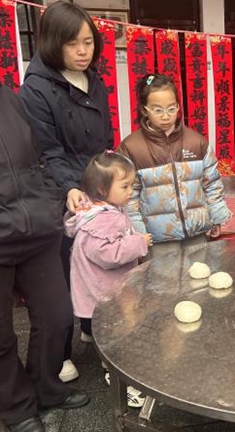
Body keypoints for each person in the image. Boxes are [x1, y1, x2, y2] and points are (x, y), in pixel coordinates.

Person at [0, 3, 89, 432]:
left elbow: (39, 155)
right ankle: (17, 409)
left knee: (57, 315)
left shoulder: (5, 97)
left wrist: (52, 198)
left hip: (34, 228)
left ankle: (47, 386)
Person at [19, 0, 114, 382]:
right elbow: (47, 152)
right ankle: (60, 355)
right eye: (72, 44)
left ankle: (93, 328)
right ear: (53, 43)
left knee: (100, 262)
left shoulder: (94, 79)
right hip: (59, 191)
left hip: (96, 186)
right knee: (63, 272)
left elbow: (104, 139)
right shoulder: (36, 89)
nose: (82, 51)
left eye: (88, 42)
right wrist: (72, 188)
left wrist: (110, 177)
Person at [64, 151, 151, 408]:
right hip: (104, 289)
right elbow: (107, 254)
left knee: (115, 327)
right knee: (119, 333)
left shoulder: (98, 210)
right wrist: (138, 243)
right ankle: (116, 375)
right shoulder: (104, 219)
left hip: (102, 287)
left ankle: (108, 354)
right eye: (124, 186)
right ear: (102, 189)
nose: (130, 191)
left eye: (131, 185)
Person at [117, 74, 231, 246]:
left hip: (197, 231)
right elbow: (128, 197)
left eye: (171, 109)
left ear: (178, 106)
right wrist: (139, 232)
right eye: (158, 110)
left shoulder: (196, 142)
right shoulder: (131, 148)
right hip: (156, 238)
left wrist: (217, 218)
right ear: (144, 110)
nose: (165, 116)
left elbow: (212, 184)